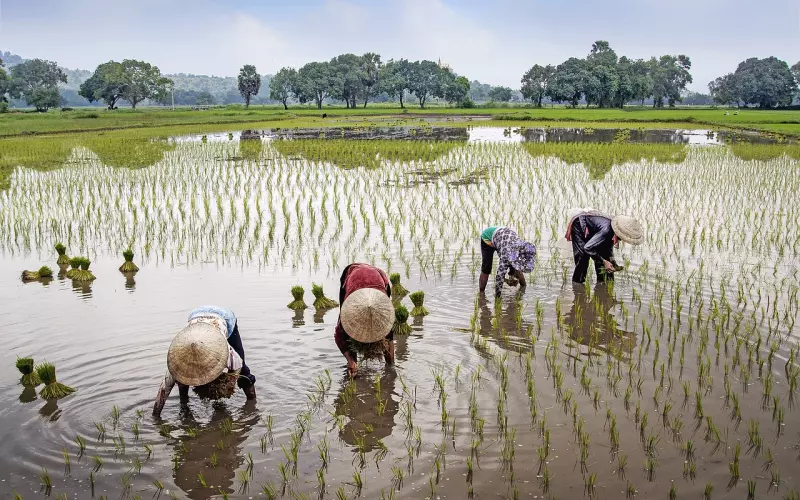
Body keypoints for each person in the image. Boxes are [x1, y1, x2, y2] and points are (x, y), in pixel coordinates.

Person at [153, 306, 256, 416]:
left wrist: (224, 386)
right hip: (195, 316)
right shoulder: (176, 364)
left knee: (244, 372)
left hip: (224, 317)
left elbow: (236, 370)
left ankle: (253, 405)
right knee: (182, 378)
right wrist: (156, 415)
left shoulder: (229, 355)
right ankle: (184, 404)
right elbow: (163, 391)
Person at [335, 263, 396, 377]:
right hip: (352, 276)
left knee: (386, 333)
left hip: (378, 276)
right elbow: (339, 336)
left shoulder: (385, 314)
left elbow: (389, 337)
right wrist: (350, 360)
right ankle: (354, 366)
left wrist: (391, 370)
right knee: (348, 332)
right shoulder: (349, 311)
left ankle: (390, 364)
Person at [565, 209, 643, 284]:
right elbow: (587, 248)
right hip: (580, 224)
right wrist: (604, 261)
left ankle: (603, 284)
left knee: (604, 256)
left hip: (596, 229)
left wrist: (612, 262)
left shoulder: (612, 230)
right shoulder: (607, 230)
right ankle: (577, 286)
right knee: (583, 258)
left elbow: (608, 249)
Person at [478, 226, 537, 297]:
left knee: (516, 267)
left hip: (503, 238)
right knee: (486, 268)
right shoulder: (506, 254)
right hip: (487, 238)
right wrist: (498, 299)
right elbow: (500, 276)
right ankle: (481, 294)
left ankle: (523, 286)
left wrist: (522, 287)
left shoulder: (522, 247)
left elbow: (518, 265)